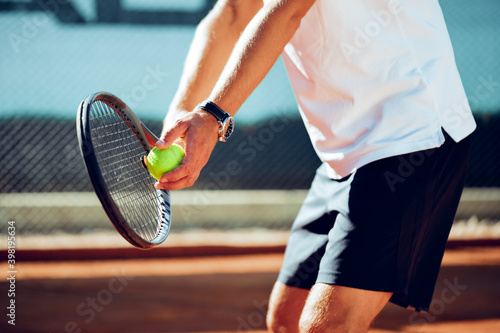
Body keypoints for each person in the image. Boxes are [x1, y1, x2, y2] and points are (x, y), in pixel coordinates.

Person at [155, 0, 476, 331]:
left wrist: (213, 115)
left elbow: (287, 10)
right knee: (286, 321)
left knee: (325, 327)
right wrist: (182, 112)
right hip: (342, 154)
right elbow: (234, 12)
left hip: (411, 135)